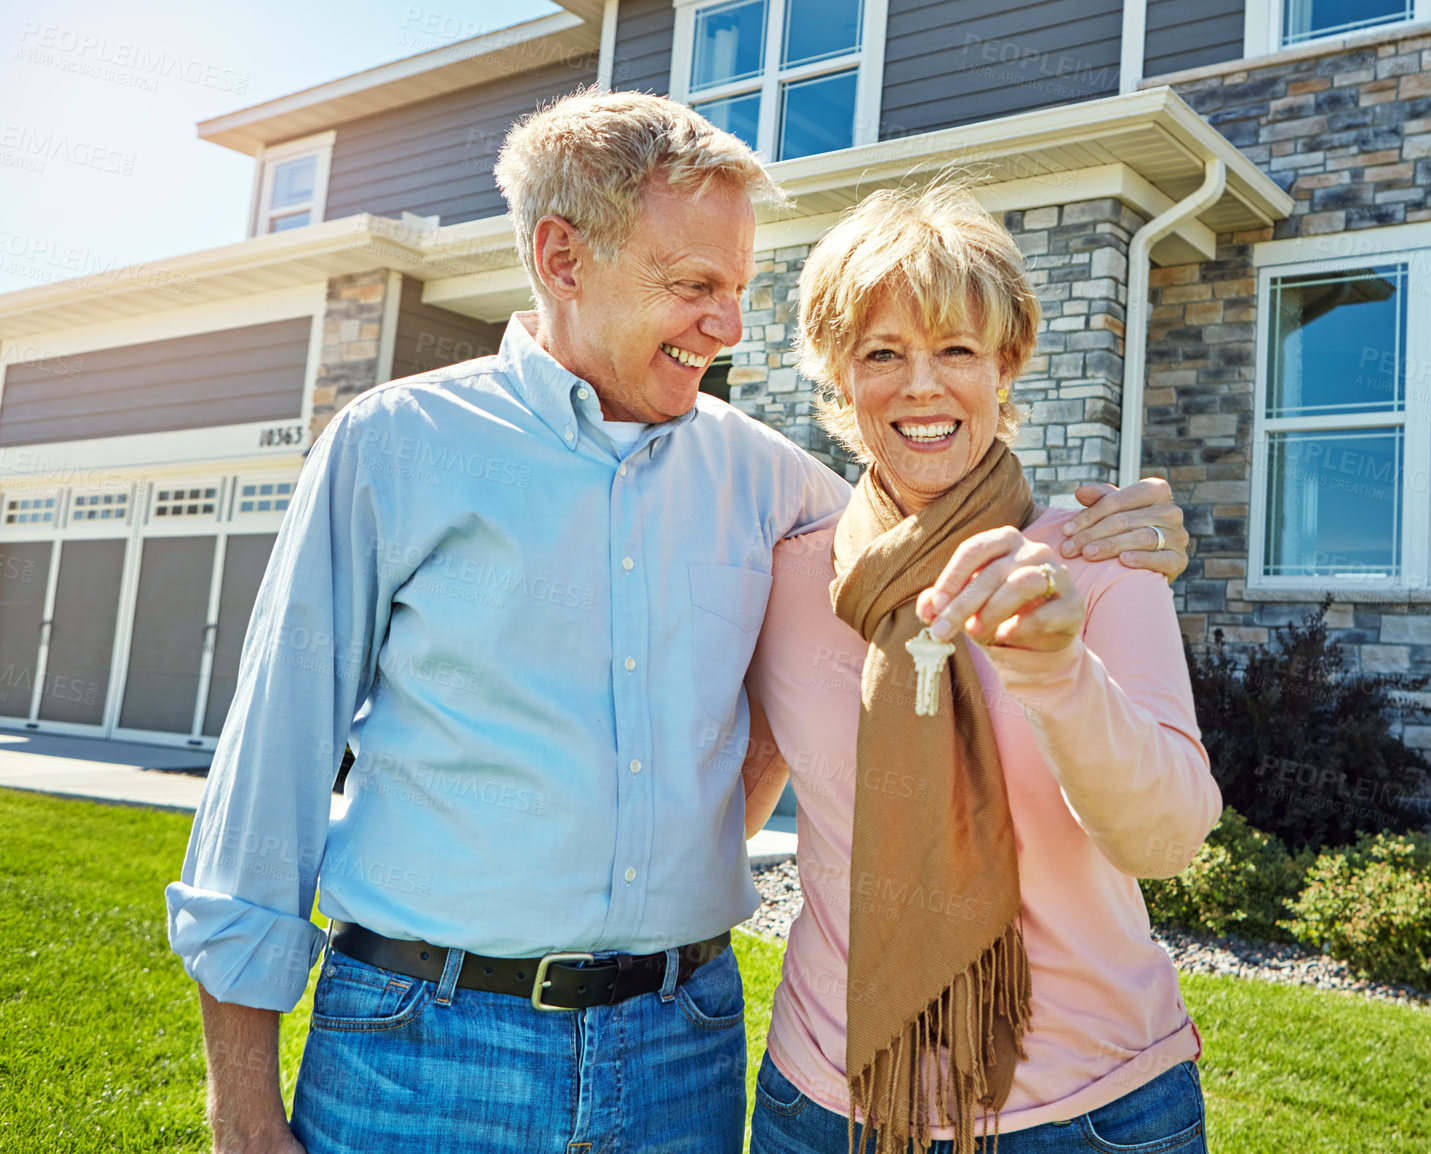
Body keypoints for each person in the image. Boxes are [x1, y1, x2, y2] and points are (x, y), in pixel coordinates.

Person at [166, 89, 1192, 1154]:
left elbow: (926, 505)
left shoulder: (769, 481)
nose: (729, 325)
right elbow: (268, 773)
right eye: (694, 284)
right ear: (562, 258)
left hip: (679, 1045)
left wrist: (1117, 529)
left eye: (740, 289)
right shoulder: (397, 444)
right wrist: (239, 1104)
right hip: (424, 1046)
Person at [741, 184, 1221, 1154]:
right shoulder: (787, 576)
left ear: (1005, 370)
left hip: (1088, 1111)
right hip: (824, 1103)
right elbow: (727, 802)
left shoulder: (1099, 559)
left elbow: (1167, 838)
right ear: (839, 380)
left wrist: (1056, 669)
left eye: (956, 349)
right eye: (882, 353)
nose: (922, 386)